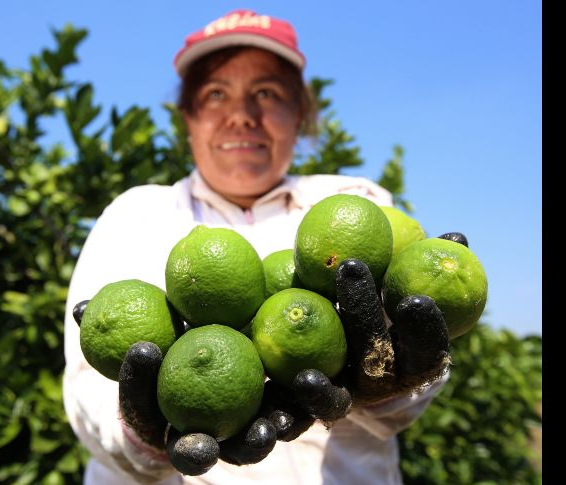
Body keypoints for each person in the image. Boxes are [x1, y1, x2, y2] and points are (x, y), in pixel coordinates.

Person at [63, 9, 450, 484]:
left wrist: (390, 380)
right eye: (215, 94)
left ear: (300, 113)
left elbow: (401, 391)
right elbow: (85, 391)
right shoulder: (136, 215)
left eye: (266, 93)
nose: (241, 116)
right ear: (188, 116)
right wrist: (144, 434)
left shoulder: (355, 203)